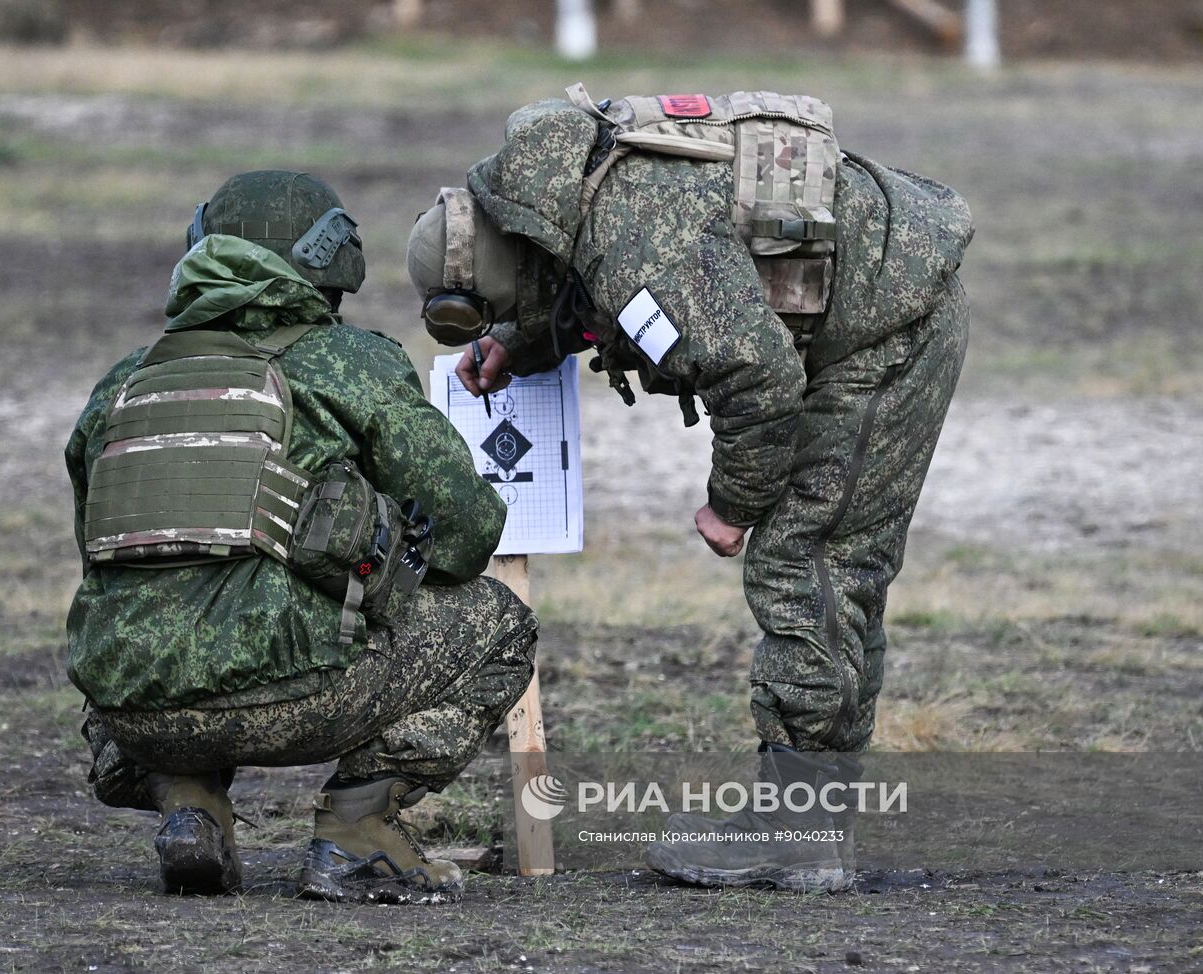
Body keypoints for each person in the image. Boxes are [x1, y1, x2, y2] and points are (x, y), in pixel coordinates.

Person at [406, 86, 972, 892]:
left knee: (806, 559)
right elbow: (586, 292)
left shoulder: (638, 247)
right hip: (862, 302)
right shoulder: (570, 190)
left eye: (484, 309)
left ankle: (798, 831)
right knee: (822, 565)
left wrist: (731, 504)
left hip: (891, 324)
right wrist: (518, 340)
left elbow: (759, 376)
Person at [65, 170, 537, 903]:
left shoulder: (122, 383)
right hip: (295, 695)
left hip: (133, 718)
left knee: (141, 615)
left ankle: (189, 803)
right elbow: (466, 532)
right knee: (500, 625)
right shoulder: (350, 362)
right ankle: (357, 834)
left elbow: (100, 558)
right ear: (329, 263)